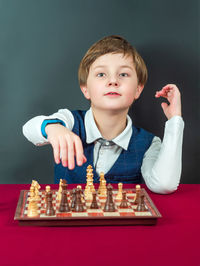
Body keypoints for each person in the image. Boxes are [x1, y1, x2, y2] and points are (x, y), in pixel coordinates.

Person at [23, 35, 184, 194]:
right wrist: (52, 128)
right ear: (85, 89)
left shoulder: (149, 143)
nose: (113, 81)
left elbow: (164, 184)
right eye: (101, 74)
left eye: (123, 74)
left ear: (138, 89)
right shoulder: (69, 121)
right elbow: (29, 129)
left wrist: (175, 120)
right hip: (69, 218)